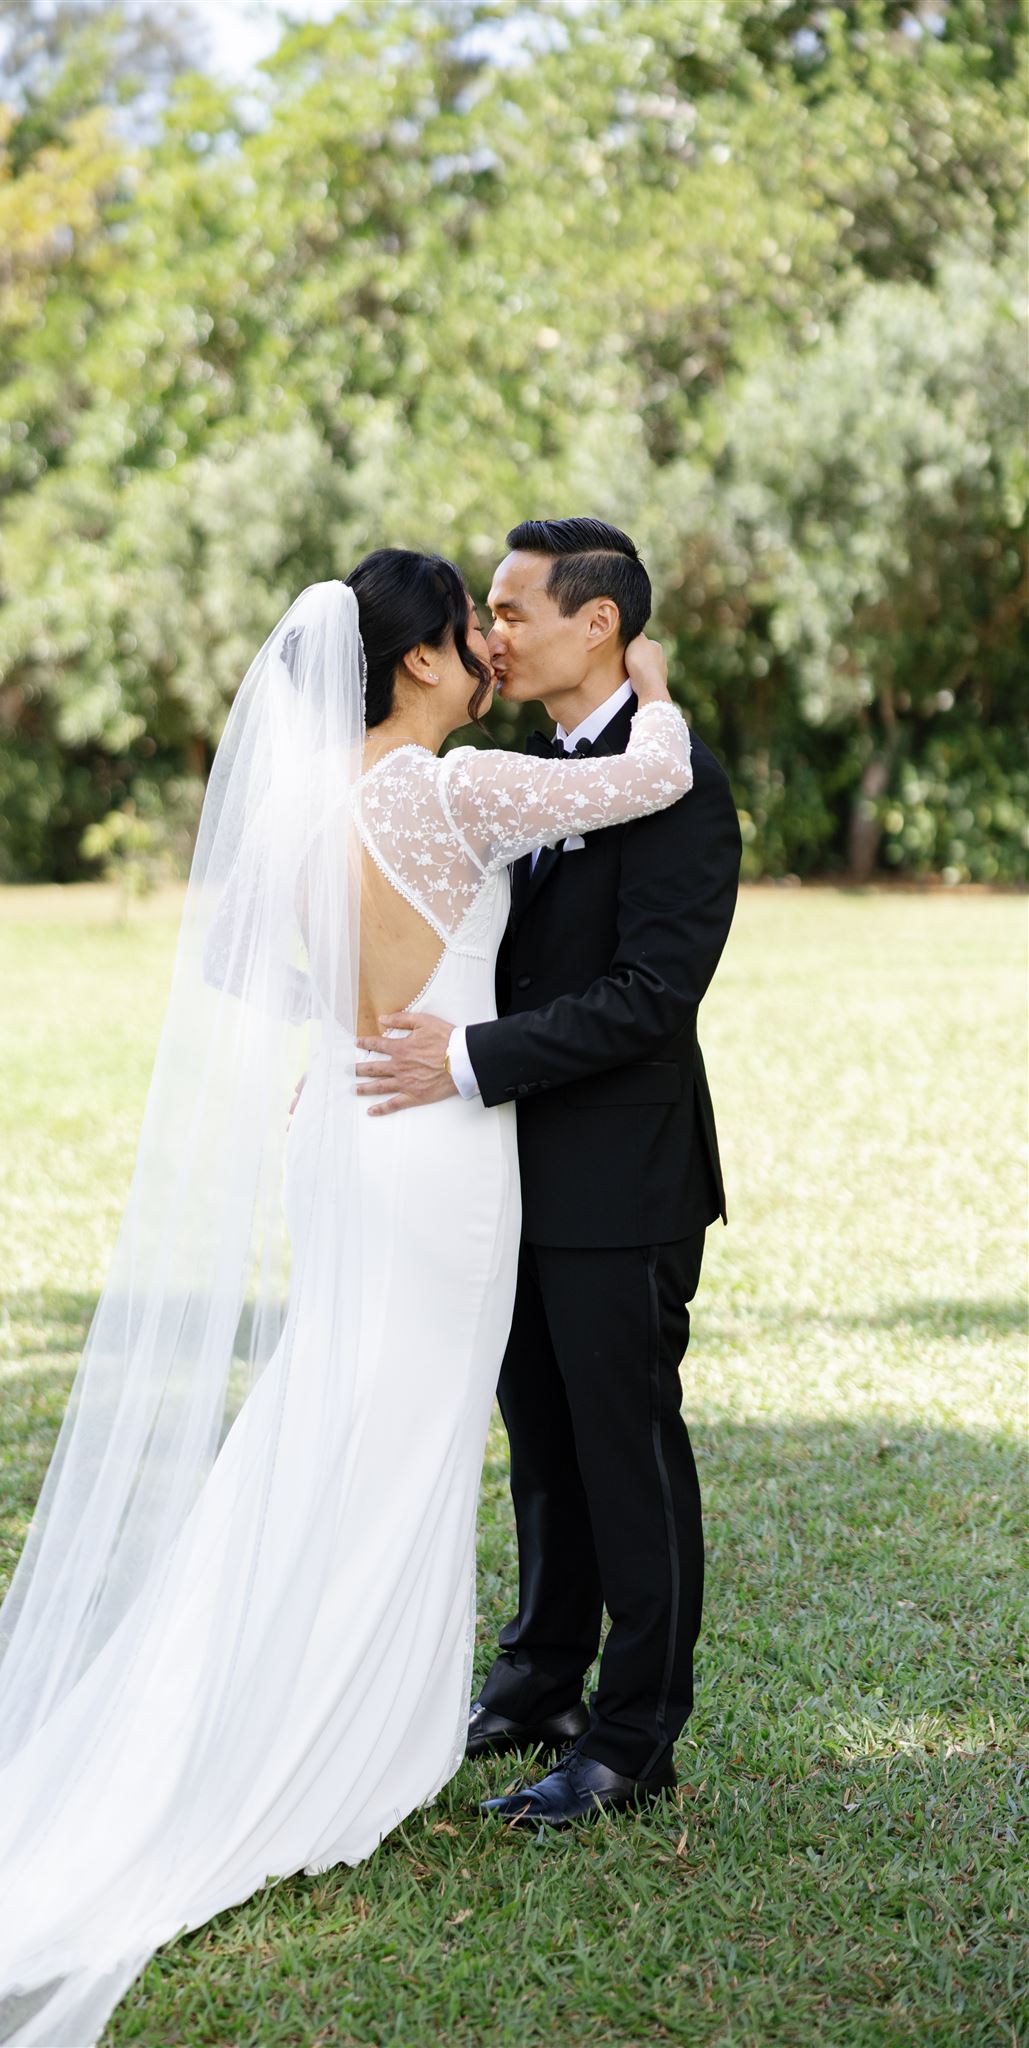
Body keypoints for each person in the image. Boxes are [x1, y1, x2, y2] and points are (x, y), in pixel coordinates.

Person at [0, 552, 692, 2048]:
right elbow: (641, 780)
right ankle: (337, 1737)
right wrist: (649, 689)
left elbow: (233, 963)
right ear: (414, 664)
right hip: (435, 1147)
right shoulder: (444, 787)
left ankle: (324, 1704)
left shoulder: (306, 803)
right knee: (389, 1437)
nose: (484, 654)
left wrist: (339, 1017)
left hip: (345, 1121)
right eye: (466, 635)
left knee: (334, 1416)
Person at [354, 520, 742, 1828]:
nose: (493, 635)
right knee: (541, 1442)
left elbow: (649, 996)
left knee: (622, 1449)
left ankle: (632, 1736)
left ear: (600, 624)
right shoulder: (519, 774)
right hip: (500, 1173)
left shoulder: (679, 780)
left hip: (620, 1176)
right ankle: (537, 1679)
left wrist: (465, 1058)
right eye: (487, 614)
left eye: (515, 610)